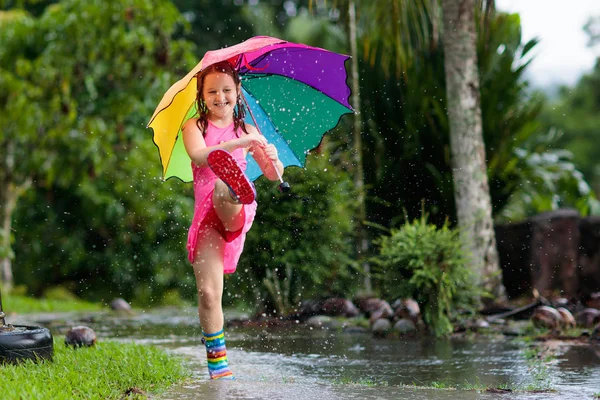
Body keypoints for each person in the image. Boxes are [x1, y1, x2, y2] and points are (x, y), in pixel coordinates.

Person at [181, 60, 283, 380]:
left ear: (238, 92)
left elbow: (271, 175)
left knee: (225, 188)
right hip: (206, 219)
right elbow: (200, 156)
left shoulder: (248, 129)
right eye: (212, 91)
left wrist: (273, 161)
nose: (220, 97)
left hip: (234, 210)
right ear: (202, 95)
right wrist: (238, 145)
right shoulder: (194, 127)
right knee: (208, 294)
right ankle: (218, 366)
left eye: (227, 90)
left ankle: (234, 189)